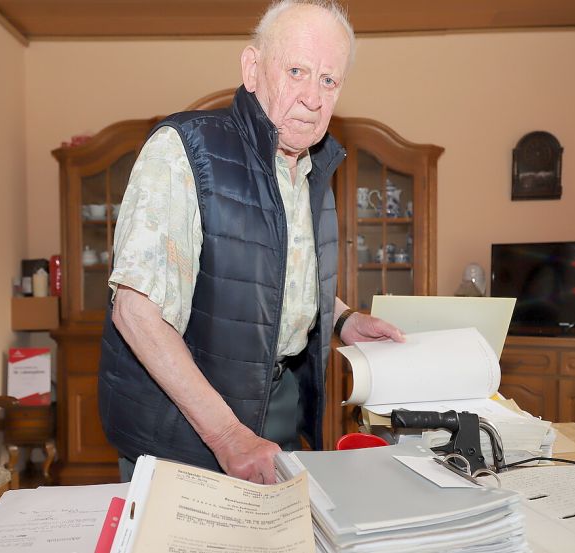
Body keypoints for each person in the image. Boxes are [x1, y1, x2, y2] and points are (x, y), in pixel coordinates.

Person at [98, 0, 403, 486]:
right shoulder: (184, 149)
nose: (313, 97)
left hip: (275, 414)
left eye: (329, 80)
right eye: (297, 71)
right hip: (184, 432)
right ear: (253, 69)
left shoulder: (310, 166)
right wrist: (227, 436)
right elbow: (136, 313)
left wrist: (344, 319)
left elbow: (273, 274)